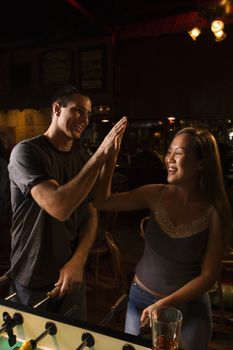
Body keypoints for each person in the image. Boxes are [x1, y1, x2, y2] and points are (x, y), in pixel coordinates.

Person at [93, 126, 232, 349]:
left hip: (188, 309)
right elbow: (102, 201)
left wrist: (164, 305)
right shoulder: (154, 194)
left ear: (201, 163)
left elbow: (208, 277)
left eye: (179, 153)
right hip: (140, 302)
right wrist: (111, 157)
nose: (169, 159)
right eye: (169, 152)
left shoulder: (215, 212)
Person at [8, 84, 127, 321]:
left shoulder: (82, 159)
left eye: (88, 114)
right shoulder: (27, 153)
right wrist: (101, 153)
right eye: (78, 111)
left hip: (70, 278)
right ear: (57, 109)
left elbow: (91, 213)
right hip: (31, 277)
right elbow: (59, 207)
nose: (84, 119)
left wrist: (78, 260)